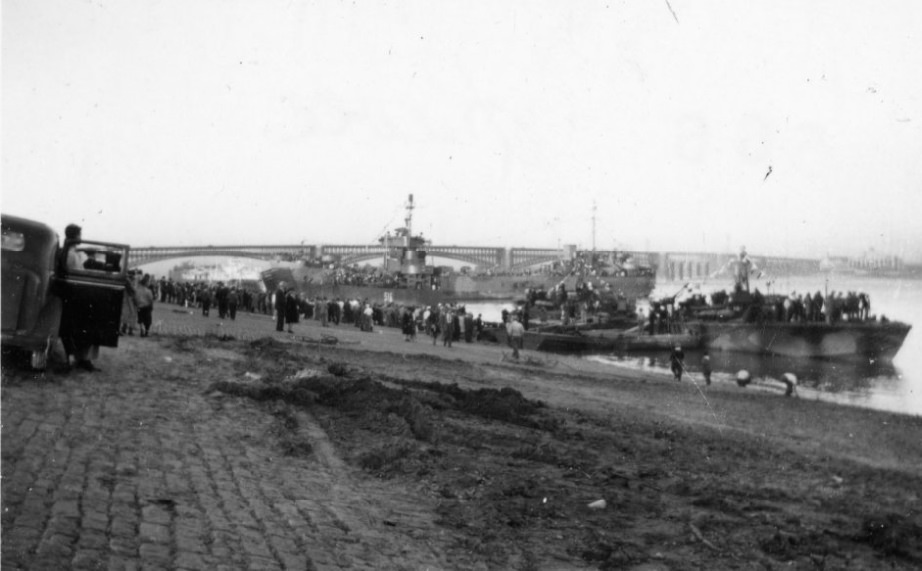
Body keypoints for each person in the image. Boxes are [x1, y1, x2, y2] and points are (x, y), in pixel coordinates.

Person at [58, 224, 100, 372]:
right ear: (75, 236)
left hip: (73, 295)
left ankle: (78, 358)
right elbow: (77, 274)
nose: (81, 237)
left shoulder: (70, 253)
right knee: (76, 328)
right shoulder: (72, 254)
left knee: (72, 329)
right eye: (79, 235)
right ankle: (79, 359)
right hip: (76, 295)